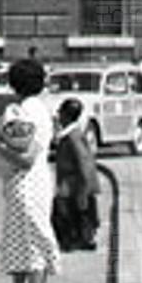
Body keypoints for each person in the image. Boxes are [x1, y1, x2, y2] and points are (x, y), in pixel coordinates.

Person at [0, 56, 59, 283]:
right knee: (18, 241)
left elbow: (26, 157)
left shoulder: (27, 112)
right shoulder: (35, 109)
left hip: (27, 181)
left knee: (32, 242)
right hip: (25, 182)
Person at [50, 97, 100, 253]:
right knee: (72, 214)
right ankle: (78, 239)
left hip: (73, 185)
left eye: (60, 113)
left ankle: (73, 241)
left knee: (66, 213)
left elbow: (84, 163)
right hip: (72, 184)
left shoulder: (73, 137)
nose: (58, 116)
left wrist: (83, 190)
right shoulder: (70, 135)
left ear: (66, 115)